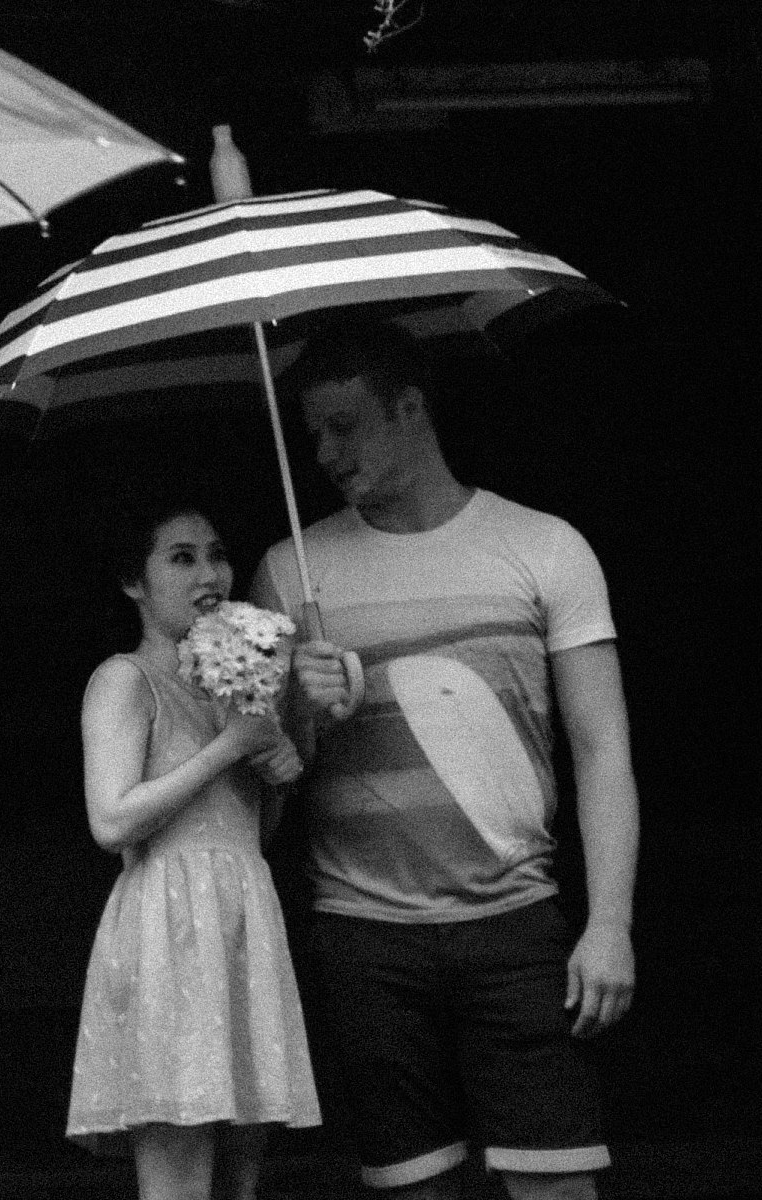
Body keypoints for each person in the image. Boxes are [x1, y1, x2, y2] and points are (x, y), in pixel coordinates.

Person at [257, 322, 638, 1200]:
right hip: (363, 932)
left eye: (344, 426)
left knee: (557, 1188)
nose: (322, 452)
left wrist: (610, 921)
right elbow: (270, 787)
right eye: (311, 432)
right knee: (412, 1191)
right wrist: (297, 710)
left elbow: (602, 747)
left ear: (411, 408)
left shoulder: (545, 546)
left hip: (515, 919)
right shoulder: (289, 571)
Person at [67, 498, 319, 1200]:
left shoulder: (232, 685)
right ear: (134, 582)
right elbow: (111, 821)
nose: (210, 572)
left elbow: (248, 834)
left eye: (216, 554)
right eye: (181, 557)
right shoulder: (125, 680)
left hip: (241, 923)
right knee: (178, 1183)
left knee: (239, 1180)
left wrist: (277, 764)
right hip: (170, 930)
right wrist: (231, 747)